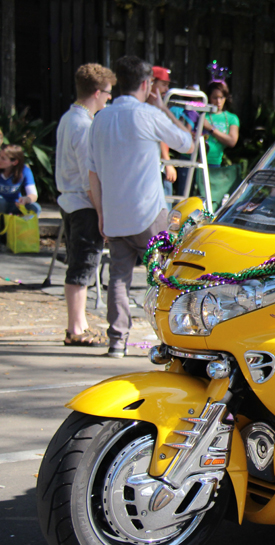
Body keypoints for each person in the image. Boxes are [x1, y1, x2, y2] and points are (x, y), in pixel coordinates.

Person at [88, 56, 194, 358]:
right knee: (161, 277)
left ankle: (117, 341)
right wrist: (162, 108)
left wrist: (100, 212)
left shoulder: (101, 119)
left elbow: (92, 172)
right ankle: (167, 339)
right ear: (147, 85)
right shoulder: (148, 114)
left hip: (115, 212)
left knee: (118, 279)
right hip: (148, 212)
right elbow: (186, 142)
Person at [55, 63, 116, 347]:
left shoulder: (70, 118)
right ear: (96, 92)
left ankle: (78, 324)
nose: (109, 98)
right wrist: (102, 212)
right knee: (82, 265)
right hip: (82, 203)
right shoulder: (83, 125)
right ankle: (75, 328)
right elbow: (87, 176)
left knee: (80, 264)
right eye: (107, 93)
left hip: (69, 200)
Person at [151, 66, 178, 200]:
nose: (166, 90)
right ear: (151, 83)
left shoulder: (158, 106)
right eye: (163, 84)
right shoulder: (151, 109)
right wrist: (168, 163)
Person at [203, 81, 240, 167]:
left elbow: (232, 141)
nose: (218, 101)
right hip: (194, 159)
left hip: (214, 162)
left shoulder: (232, 118)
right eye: (215, 98)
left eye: (221, 97)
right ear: (209, 97)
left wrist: (211, 129)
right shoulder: (201, 114)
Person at [0, 144, 40, 218]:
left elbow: (33, 195)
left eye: (3, 158)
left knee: (35, 207)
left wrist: (25, 199)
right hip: (1, 205)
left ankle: (22, 227)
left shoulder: (24, 171)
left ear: (14, 162)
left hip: (16, 204)